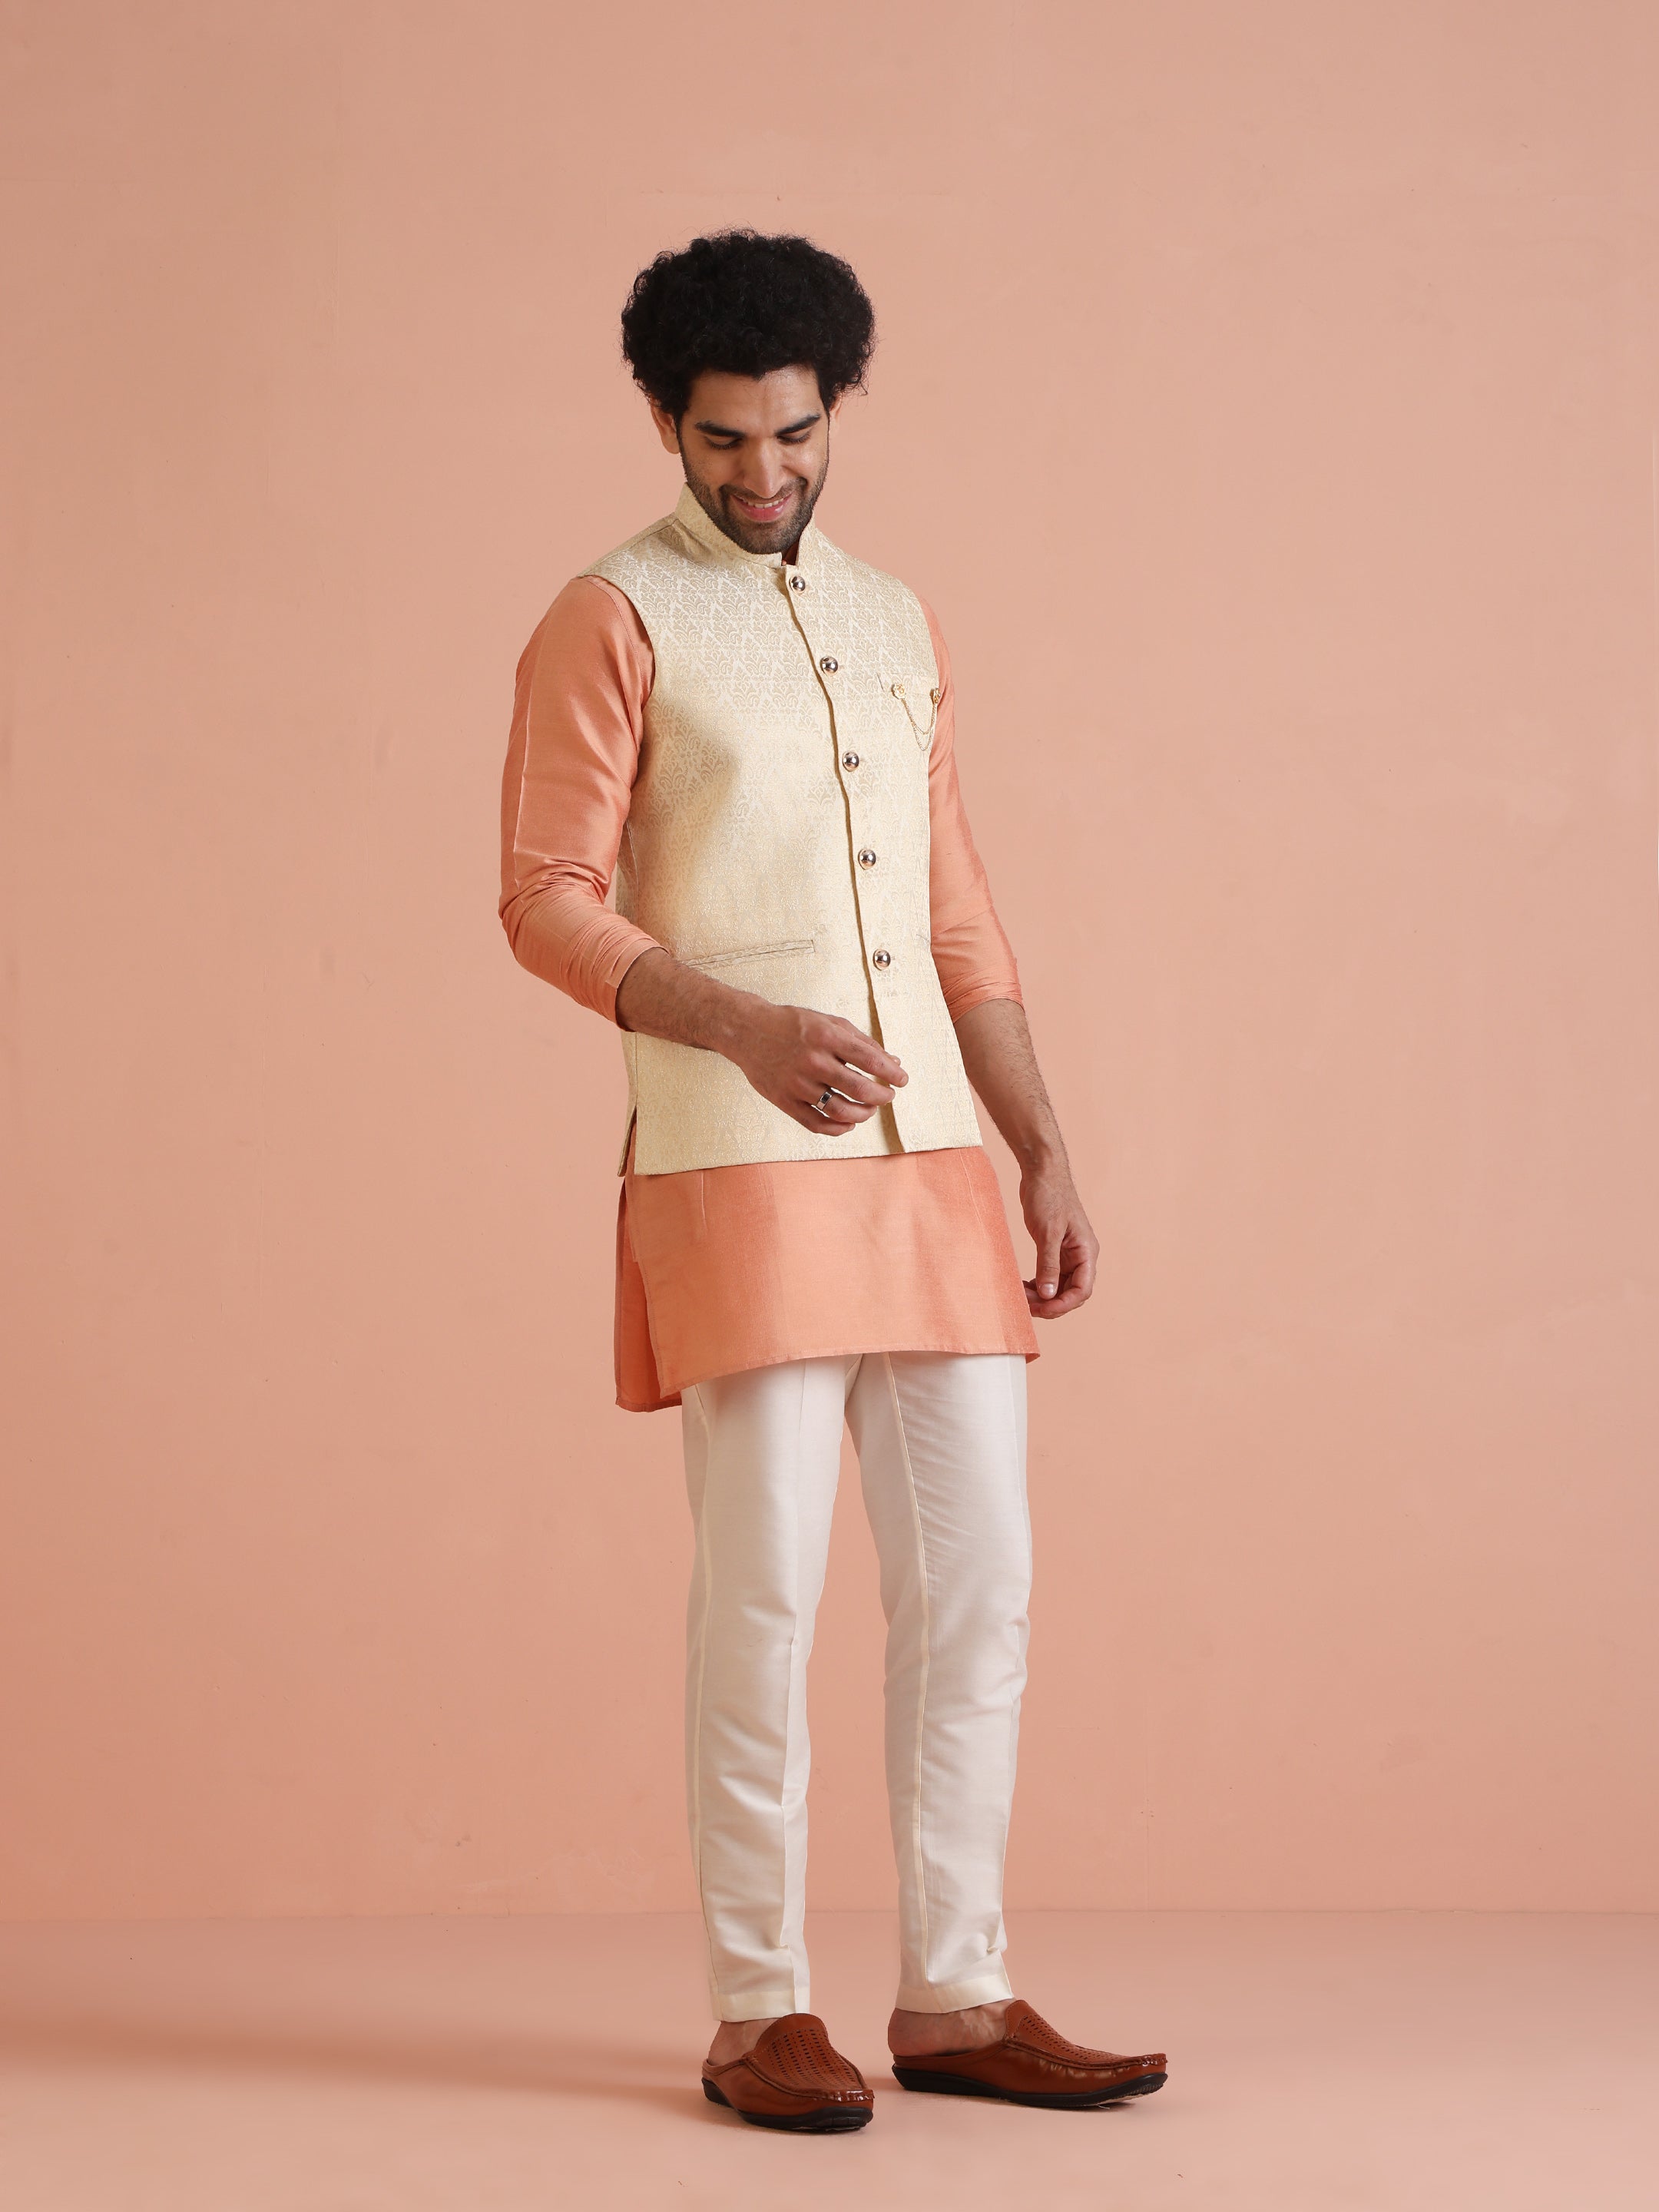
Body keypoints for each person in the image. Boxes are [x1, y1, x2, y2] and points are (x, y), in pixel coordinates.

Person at [498, 230, 1167, 2132]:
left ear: (834, 410)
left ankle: (957, 1992)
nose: (763, 472)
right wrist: (738, 1027)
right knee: (767, 1594)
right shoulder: (610, 617)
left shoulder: (892, 616)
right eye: (723, 439)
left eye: (792, 434)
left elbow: (959, 922)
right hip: (739, 1158)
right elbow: (543, 897)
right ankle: (757, 2008)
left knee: (982, 1589)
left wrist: (1043, 1147)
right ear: (665, 421)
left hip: (934, 1161)